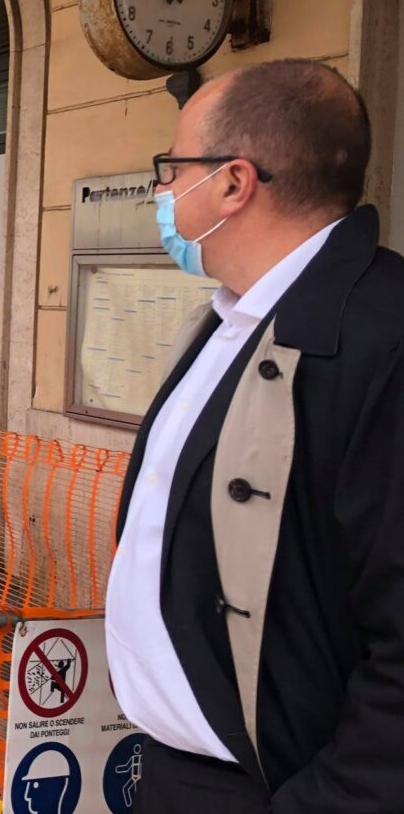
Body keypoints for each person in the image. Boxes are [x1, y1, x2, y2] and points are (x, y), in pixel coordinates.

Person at [105, 59, 404, 812]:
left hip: (276, 790)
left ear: (235, 183)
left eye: (173, 168)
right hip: (176, 774)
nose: (162, 193)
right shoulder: (231, 321)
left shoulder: (382, 339)